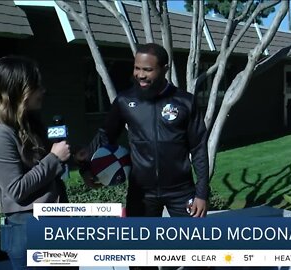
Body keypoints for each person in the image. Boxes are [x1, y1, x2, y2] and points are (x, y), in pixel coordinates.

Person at [75, 43, 210, 219]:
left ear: (165, 69)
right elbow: (105, 136)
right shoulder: (125, 101)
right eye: (137, 68)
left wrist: (201, 194)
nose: (140, 75)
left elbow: (199, 148)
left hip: (181, 191)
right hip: (141, 193)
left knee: (192, 243)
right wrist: (86, 169)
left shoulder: (185, 102)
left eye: (147, 69)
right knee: (141, 245)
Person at [0, 56, 71, 269]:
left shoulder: (30, 124)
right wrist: (54, 158)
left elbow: (45, 169)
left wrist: (72, 158)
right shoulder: (2, 134)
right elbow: (16, 189)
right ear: (18, 90)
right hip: (26, 227)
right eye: (36, 86)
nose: (43, 91)